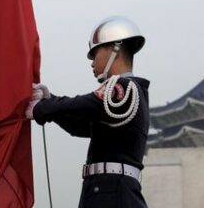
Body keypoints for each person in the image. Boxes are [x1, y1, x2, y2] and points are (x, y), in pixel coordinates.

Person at [26, 16, 150, 208]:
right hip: (104, 190)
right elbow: (80, 125)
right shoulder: (119, 100)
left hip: (114, 193)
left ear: (113, 49)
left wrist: (46, 107)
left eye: (95, 52)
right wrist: (49, 103)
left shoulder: (125, 88)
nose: (92, 62)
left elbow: (87, 103)